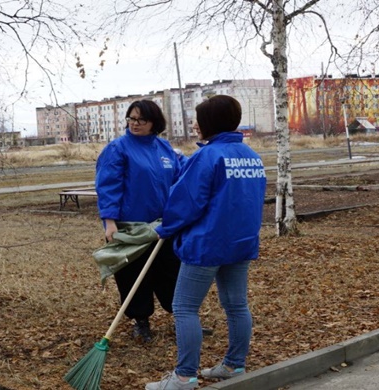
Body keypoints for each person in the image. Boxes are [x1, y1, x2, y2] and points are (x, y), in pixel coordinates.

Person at [146, 95, 267, 389]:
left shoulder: (207, 156)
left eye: (198, 119)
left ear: (210, 122)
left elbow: (187, 200)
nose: (194, 124)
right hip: (240, 242)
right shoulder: (252, 156)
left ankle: (184, 376)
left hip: (207, 244)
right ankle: (234, 365)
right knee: (236, 304)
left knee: (185, 307)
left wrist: (167, 228)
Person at [95, 99, 183, 343]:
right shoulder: (118, 148)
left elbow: (180, 179)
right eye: (131, 119)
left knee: (171, 272)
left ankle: (182, 318)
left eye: (140, 120)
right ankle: (140, 321)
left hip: (163, 226)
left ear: (154, 122)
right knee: (134, 275)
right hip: (130, 227)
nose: (134, 124)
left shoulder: (165, 149)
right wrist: (109, 221)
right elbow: (108, 186)